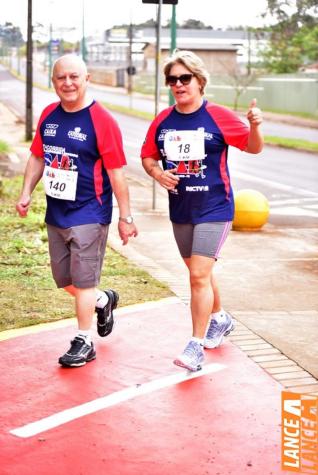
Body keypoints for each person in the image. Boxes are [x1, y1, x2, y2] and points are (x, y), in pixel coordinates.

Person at [141, 50, 263, 372]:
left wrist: (254, 126)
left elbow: (252, 147)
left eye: (185, 78)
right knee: (200, 273)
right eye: (172, 80)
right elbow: (148, 157)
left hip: (215, 207)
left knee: (197, 275)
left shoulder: (218, 116)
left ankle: (195, 346)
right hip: (182, 209)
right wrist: (157, 174)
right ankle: (220, 318)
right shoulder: (163, 121)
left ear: (199, 81)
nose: (178, 85)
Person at [16, 54, 138, 368]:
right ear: (53, 81)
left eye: (74, 77)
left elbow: (117, 173)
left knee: (83, 280)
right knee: (64, 278)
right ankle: (103, 300)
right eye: (61, 78)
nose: (68, 83)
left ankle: (84, 341)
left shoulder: (102, 120)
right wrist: (26, 192)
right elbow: (37, 157)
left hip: (90, 212)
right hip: (57, 213)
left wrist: (125, 217)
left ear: (86, 80)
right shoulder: (49, 115)